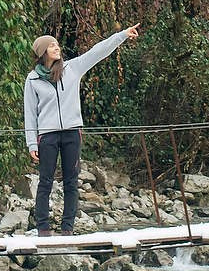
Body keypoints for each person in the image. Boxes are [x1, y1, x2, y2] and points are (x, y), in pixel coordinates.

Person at [24, 23, 140, 235]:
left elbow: (98, 51)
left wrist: (122, 35)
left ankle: (67, 228)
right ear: (42, 52)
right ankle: (43, 228)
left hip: (71, 132)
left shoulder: (72, 68)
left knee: (71, 181)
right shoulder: (32, 80)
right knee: (45, 182)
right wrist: (32, 142)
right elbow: (30, 114)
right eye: (51, 46)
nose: (57, 48)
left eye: (57, 45)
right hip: (47, 136)